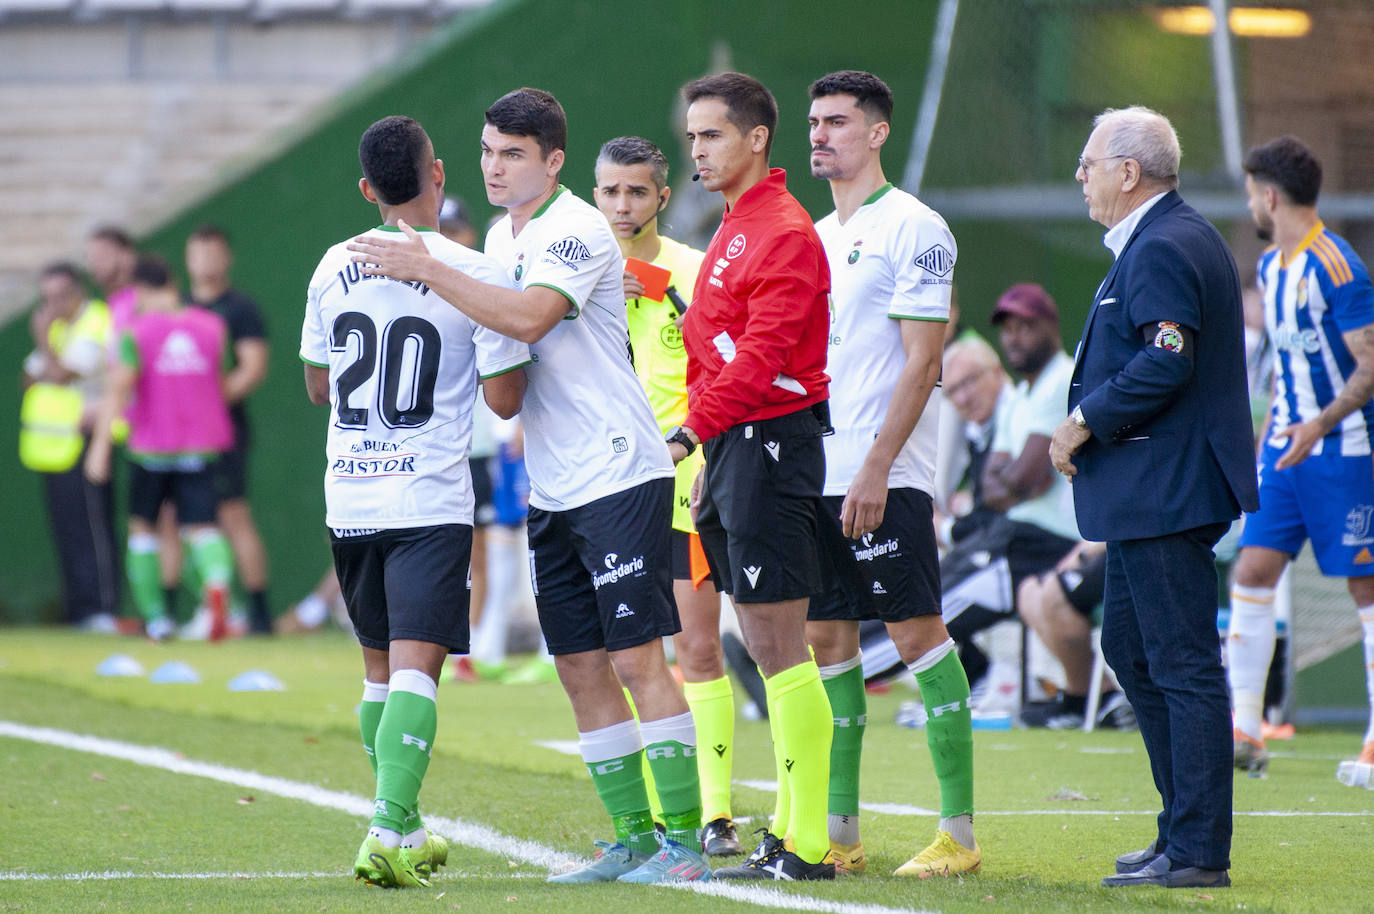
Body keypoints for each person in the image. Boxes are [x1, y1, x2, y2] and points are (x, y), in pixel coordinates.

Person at [347, 89, 711, 885]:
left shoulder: (575, 228)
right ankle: (632, 839)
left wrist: (431, 268)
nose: (495, 166)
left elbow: (531, 318)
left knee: (640, 656)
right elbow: (506, 393)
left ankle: (687, 844)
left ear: (553, 161)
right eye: (486, 151)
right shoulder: (501, 245)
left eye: (512, 154)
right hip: (552, 482)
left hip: (619, 469)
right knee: (579, 665)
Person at [301, 115, 531, 887]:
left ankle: (406, 822)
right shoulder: (473, 270)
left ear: (368, 191)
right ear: (438, 175)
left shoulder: (332, 265)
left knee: (377, 676)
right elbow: (504, 398)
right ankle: (383, 832)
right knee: (414, 676)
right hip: (428, 496)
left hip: (350, 492)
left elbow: (317, 384)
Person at [1050, 106, 1259, 889]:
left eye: (1089, 161)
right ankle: (1181, 835)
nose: (1081, 175)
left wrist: (1082, 422)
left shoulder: (1166, 242)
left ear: (1128, 172)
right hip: (1151, 491)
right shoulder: (1156, 239)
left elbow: (1166, 359)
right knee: (1131, 650)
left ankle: (1199, 850)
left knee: (1180, 661)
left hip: (1168, 489)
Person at [803, 69, 978, 879]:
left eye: (837, 122)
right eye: (814, 122)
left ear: (877, 133)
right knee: (828, 645)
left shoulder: (916, 226)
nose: (820, 134)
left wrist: (876, 466)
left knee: (916, 636)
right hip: (815, 472)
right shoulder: (813, 234)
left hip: (886, 474)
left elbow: (924, 362)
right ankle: (841, 835)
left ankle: (959, 837)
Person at [674, 71, 834, 882]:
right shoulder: (736, 226)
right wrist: (708, 452)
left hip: (774, 443)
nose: (696, 149)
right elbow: (709, 348)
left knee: (780, 645)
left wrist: (686, 433)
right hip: (738, 449)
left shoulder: (784, 232)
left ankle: (804, 843)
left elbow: (766, 357)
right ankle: (792, 832)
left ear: (755, 139)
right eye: (693, 135)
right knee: (766, 644)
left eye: (711, 135)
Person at [592, 134, 742, 856]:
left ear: (661, 196)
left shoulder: (695, 268)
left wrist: (668, 298)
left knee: (697, 647)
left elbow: (725, 365)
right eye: (610, 192)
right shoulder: (572, 270)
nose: (622, 206)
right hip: (602, 487)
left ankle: (712, 815)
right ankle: (658, 814)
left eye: (636, 192)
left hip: (685, 478)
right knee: (627, 657)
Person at [1229, 135, 1374, 779]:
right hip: (1287, 451)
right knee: (1253, 571)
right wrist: (1271, 437)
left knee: (1364, 589)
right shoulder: (1270, 268)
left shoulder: (1338, 266)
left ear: (1269, 195)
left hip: (1344, 449)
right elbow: (1284, 370)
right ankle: (1245, 730)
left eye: (1249, 194)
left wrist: (1320, 423)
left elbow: (1370, 366)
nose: (1248, 206)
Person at [84, 255, 239, 643]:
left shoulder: (136, 331)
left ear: (138, 290)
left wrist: (100, 446)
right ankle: (216, 586)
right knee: (203, 528)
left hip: (151, 447)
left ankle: (157, 619)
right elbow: (219, 380)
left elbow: (120, 387)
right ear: (173, 280)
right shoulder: (212, 326)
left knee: (143, 531)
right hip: (201, 445)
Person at [21, 261, 120, 629]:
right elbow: (29, 378)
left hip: (86, 440)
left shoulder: (94, 322)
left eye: (61, 296)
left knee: (92, 531)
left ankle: (102, 609)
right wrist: (49, 352)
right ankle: (78, 610)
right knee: (67, 533)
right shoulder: (61, 330)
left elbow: (60, 373)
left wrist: (44, 338)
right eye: (47, 298)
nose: (54, 305)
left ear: (79, 291)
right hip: (52, 447)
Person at [185, 224, 273, 634]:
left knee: (233, 513)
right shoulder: (178, 308)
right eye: (197, 253)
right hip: (179, 437)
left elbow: (251, 368)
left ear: (226, 258)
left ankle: (258, 613)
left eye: (212, 253)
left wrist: (207, 407)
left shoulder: (240, 309)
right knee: (179, 517)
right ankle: (214, 606)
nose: (204, 261)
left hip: (223, 431)